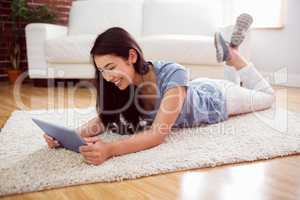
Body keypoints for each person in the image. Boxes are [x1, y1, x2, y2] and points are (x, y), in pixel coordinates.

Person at [44, 14, 275, 165]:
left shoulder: (172, 73)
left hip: (218, 98)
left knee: (267, 98)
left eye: (111, 67)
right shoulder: (121, 83)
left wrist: (110, 149)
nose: (107, 76)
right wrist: (72, 135)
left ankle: (234, 55)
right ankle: (229, 55)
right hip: (191, 90)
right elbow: (107, 118)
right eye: (102, 70)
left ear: (131, 56)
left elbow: (158, 134)